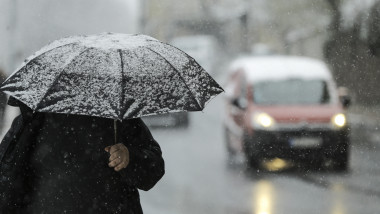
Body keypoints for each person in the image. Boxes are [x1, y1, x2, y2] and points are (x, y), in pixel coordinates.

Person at [0, 97, 165, 213]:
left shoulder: (116, 116)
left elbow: (153, 168)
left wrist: (129, 157)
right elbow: (9, 173)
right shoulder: (34, 118)